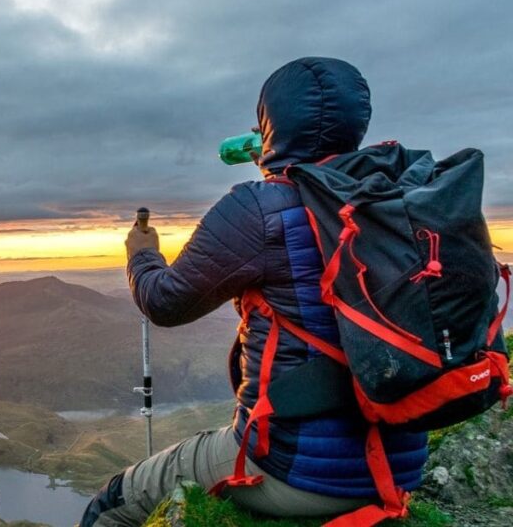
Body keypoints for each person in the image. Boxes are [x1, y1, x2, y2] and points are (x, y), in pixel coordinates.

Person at [79, 57, 428, 527]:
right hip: (402, 463)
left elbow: (164, 302)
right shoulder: (405, 199)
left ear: (271, 122)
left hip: (294, 471)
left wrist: (142, 253)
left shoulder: (259, 209)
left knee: (112, 503)